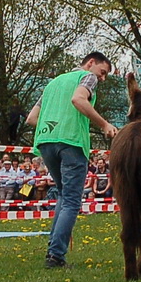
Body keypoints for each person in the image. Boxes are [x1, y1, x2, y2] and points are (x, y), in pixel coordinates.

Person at [26, 52, 117, 269]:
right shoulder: (87, 77)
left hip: (46, 143)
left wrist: (51, 130)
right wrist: (104, 125)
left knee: (64, 195)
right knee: (72, 200)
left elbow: (31, 119)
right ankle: (56, 256)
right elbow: (78, 99)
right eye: (103, 72)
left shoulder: (53, 84)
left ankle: (53, 251)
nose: (102, 79)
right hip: (72, 144)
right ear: (91, 63)